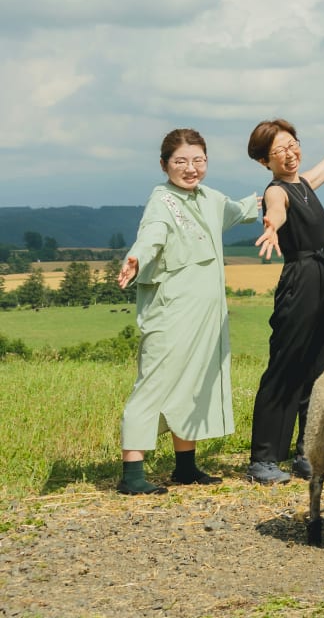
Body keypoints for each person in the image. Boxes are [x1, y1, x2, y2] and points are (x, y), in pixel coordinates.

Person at [116, 129, 259, 495]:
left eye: (198, 161)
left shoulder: (210, 198)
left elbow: (245, 209)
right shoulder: (162, 201)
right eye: (180, 161)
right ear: (164, 165)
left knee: (193, 382)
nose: (190, 168)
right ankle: (132, 474)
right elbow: (152, 235)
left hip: (206, 315)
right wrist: (136, 258)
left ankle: (186, 467)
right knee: (154, 383)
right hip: (171, 310)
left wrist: (285, 191)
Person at [245, 91, 324, 486]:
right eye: (280, 150)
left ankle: (306, 454)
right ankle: (263, 458)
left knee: (320, 367)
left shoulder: (307, 183)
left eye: (293, 145)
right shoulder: (278, 190)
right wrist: (271, 226)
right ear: (266, 161)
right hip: (301, 279)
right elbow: (274, 208)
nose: (290, 153)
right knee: (286, 366)